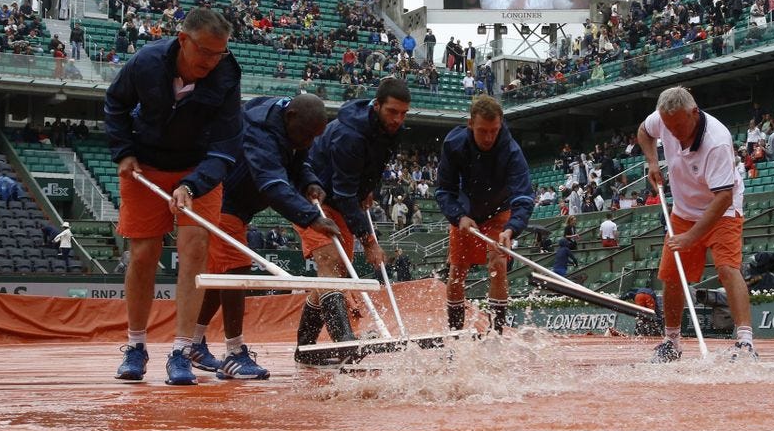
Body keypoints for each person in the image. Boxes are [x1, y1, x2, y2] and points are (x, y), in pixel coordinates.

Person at [106, 7, 243, 385]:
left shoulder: (227, 76)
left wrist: (193, 184)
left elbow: (226, 146)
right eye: (206, 53)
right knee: (144, 253)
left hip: (199, 169)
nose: (213, 62)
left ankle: (182, 351)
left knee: (195, 250)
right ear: (183, 40)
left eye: (221, 54)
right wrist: (123, 151)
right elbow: (115, 104)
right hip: (145, 166)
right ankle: (136, 346)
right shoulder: (146, 62)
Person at [189, 94, 335, 379]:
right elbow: (272, 182)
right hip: (219, 200)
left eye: (313, 138)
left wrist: (310, 182)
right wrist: (311, 217)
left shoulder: (293, 128)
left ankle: (194, 343)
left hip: (237, 206)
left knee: (222, 275)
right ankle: (233, 352)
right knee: (235, 269)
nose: (307, 143)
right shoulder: (260, 133)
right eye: (305, 135)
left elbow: (298, 162)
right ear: (290, 117)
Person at [636, 86, 756, 362]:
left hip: (722, 209)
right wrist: (653, 162)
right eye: (668, 127)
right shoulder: (664, 120)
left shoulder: (717, 141)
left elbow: (723, 197)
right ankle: (672, 341)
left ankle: (745, 343)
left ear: (693, 112)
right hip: (682, 209)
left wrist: (691, 237)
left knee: (728, 267)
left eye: (678, 126)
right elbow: (644, 133)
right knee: (672, 274)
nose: (674, 134)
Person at [298, 77, 409, 363]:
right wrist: (369, 242)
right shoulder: (350, 135)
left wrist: (368, 189)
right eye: (392, 112)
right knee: (331, 264)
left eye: (403, 113)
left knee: (330, 276)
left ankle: (305, 349)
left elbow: (373, 167)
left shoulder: (393, 131)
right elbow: (343, 191)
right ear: (376, 106)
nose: (398, 119)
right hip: (313, 197)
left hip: (342, 199)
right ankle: (345, 344)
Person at [436, 94, 535, 334]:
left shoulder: (511, 150)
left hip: (500, 211)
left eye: (494, 130)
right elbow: (443, 190)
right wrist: (459, 217)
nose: (489, 137)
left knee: (498, 265)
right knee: (457, 271)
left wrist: (511, 229)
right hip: (465, 213)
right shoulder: (454, 144)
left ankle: (497, 333)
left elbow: (523, 197)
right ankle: (455, 333)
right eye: (483, 131)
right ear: (470, 124)